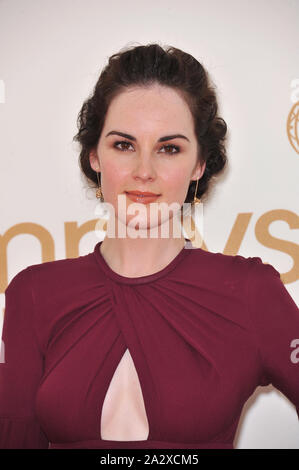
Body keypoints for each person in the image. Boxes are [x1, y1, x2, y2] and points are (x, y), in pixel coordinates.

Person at [0, 43, 298, 449]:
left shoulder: (250, 291)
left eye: (169, 149)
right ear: (94, 155)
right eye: (124, 145)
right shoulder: (33, 293)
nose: (144, 172)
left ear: (199, 165)